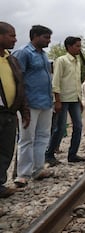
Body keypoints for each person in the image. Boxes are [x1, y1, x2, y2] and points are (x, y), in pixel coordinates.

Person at [14, 25, 54, 187]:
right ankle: (23, 174)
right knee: (26, 139)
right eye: (46, 37)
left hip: (45, 102)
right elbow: (18, 79)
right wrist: (22, 105)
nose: (49, 41)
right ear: (35, 36)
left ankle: (38, 169)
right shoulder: (24, 53)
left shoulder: (43, 55)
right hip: (29, 104)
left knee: (43, 137)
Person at [46, 36, 85, 165]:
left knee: (78, 126)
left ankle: (73, 154)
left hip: (74, 99)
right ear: (69, 47)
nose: (79, 49)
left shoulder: (77, 61)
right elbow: (56, 81)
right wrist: (57, 100)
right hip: (63, 99)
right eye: (77, 46)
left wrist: (80, 100)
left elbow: (76, 82)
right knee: (60, 127)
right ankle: (49, 154)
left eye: (80, 46)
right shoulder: (61, 60)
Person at [0, 22, 30, 197]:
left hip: (9, 113)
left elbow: (20, 86)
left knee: (6, 152)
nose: (15, 39)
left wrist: (24, 110)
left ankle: (0, 185)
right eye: (11, 35)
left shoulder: (11, 59)